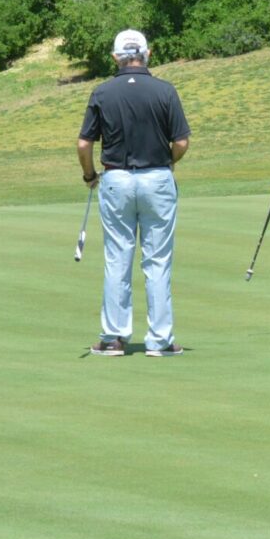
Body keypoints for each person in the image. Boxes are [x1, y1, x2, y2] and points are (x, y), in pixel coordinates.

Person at [77, 29, 191, 357]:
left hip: (116, 180)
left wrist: (89, 174)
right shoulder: (165, 91)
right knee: (157, 261)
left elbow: (84, 143)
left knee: (118, 259)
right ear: (147, 53)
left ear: (116, 57)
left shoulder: (102, 92)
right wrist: (165, 163)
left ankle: (113, 338)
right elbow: (181, 141)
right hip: (156, 178)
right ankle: (160, 340)